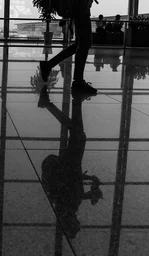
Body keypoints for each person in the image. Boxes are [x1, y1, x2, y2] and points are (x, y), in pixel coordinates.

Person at [38, 88, 103, 239]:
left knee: (79, 134)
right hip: (69, 165)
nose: (77, 220)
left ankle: (73, 101)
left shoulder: (66, 207)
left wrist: (92, 189)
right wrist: (91, 185)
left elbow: (71, 188)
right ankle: (70, 102)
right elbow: (77, 190)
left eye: (76, 223)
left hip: (69, 164)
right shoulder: (65, 208)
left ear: (71, 223)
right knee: (77, 132)